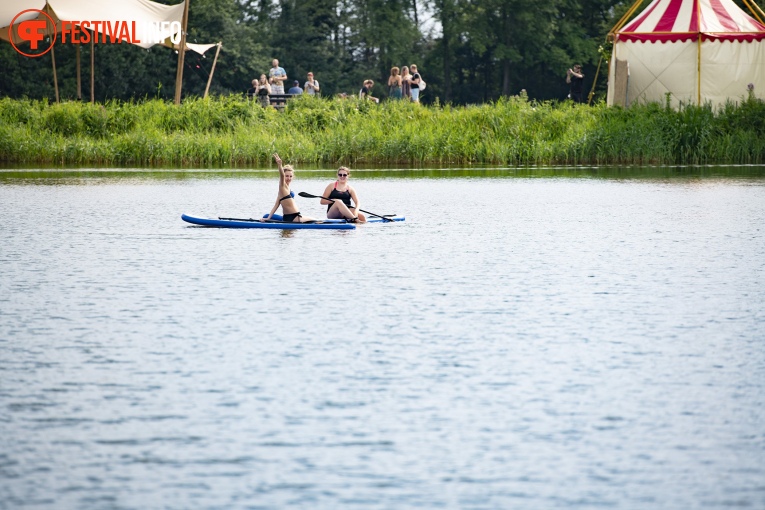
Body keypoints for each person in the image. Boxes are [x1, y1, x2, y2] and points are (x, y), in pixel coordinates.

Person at [263, 153, 315, 223]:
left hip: (291, 217)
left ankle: (268, 217)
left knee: (266, 216)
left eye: (290, 176)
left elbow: (276, 205)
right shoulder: (282, 186)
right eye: (287, 176)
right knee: (315, 220)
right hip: (294, 218)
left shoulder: (284, 189)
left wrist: (268, 217)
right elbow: (281, 175)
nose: (289, 178)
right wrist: (279, 165)